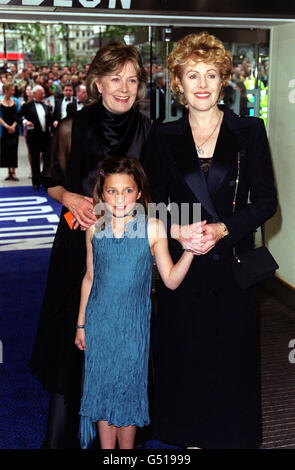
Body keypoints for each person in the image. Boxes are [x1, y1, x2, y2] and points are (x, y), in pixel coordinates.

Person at [147, 31, 277, 449]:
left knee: (229, 361)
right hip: (182, 268)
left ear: (224, 81)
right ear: (178, 84)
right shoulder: (162, 136)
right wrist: (179, 230)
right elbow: (150, 205)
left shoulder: (249, 130)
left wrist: (221, 229)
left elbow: (266, 203)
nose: (201, 84)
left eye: (210, 75)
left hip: (229, 267)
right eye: (191, 75)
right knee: (183, 358)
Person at [30, 42, 151, 449]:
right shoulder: (72, 126)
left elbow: (156, 192)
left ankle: (119, 433)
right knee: (73, 336)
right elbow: (51, 180)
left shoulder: (149, 130)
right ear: (97, 83)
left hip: (128, 252)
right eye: (115, 78)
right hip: (77, 245)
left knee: (121, 339)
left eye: (132, 79)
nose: (124, 87)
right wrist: (69, 198)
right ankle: (64, 435)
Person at [75, 155, 195, 449]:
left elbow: (170, 280)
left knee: (128, 390)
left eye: (128, 191)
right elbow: (89, 277)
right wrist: (81, 325)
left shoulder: (153, 227)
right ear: (102, 193)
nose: (120, 199)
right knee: (101, 390)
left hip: (133, 327)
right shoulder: (95, 227)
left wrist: (190, 251)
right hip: (98, 323)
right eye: (112, 191)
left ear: (139, 192)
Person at [16, 85, 53, 190]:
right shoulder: (27, 106)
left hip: (45, 137)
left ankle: (46, 181)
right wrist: (25, 122)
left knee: (47, 160)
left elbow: (50, 119)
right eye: (42, 93)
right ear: (35, 94)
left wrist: (53, 122)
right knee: (35, 160)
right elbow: (17, 116)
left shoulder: (46, 106)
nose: (44, 95)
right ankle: (36, 182)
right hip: (34, 138)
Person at [0, 82, 21, 181]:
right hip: (4, 129)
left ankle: (14, 171)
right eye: (12, 90)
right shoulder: (0, 101)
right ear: (6, 91)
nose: (13, 92)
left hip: (14, 128)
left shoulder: (15, 101)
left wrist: (13, 126)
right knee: (6, 150)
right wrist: (7, 126)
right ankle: (8, 171)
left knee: (14, 149)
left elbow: (18, 114)